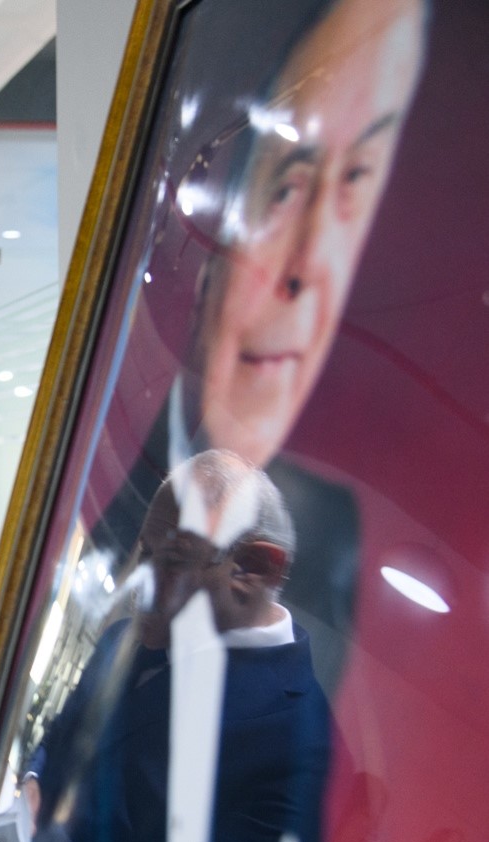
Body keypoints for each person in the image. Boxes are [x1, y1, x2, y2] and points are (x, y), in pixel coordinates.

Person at [94, 0, 428, 693]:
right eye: (285, 187)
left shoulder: (326, 538)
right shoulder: (91, 483)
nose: (308, 268)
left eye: (356, 178)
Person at [0, 451, 330, 842]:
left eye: (172, 561)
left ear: (256, 568)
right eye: (145, 554)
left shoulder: (295, 741)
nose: (141, 586)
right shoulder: (124, 638)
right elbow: (65, 732)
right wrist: (34, 780)